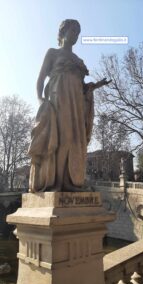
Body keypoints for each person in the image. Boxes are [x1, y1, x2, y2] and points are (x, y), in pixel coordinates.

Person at [28, 19, 111, 192]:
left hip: (76, 103)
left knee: (75, 140)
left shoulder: (78, 59)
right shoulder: (52, 53)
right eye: (73, 31)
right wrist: (40, 99)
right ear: (63, 32)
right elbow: (41, 78)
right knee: (63, 138)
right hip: (59, 100)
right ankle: (58, 182)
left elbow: (81, 87)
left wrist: (95, 86)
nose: (75, 36)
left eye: (78, 33)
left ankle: (70, 181)